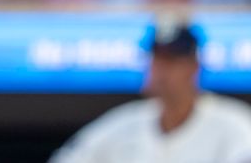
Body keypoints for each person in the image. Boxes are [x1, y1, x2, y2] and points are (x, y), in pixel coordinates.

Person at [50, 19, 251, 163]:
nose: (160, 70)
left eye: (171, 62)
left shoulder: (234, 124)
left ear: (194, 67)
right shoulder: (124, 122)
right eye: (156, 59)